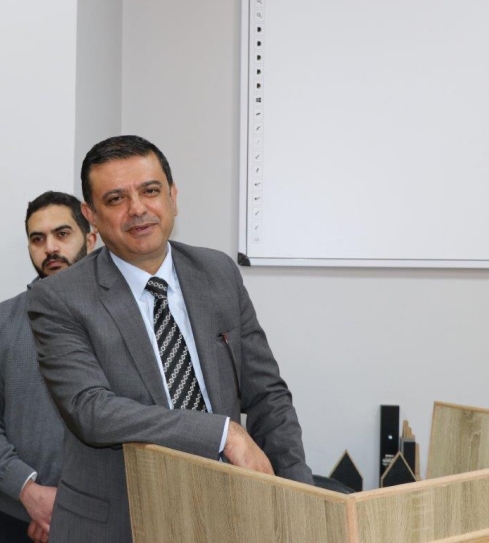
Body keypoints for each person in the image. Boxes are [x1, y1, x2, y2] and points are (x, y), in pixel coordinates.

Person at [28, 135, 313, 542]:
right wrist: (222, 432)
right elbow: (91, 411)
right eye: (116, 199)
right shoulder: (59, 297)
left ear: (173, 197)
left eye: (150, 191)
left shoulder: (217, 273)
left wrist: (299, 499)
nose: (138, 209)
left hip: (226, 514)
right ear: (91, 216)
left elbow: (268, 395)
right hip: (117, 523)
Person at [0, 191, 96, 543]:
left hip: (100, 517)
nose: (50, 248)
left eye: (62, 234)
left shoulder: (122, 321)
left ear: (90, 239)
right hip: (9, 515)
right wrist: (30, 493)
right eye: (38, 239)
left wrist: (67, 506)